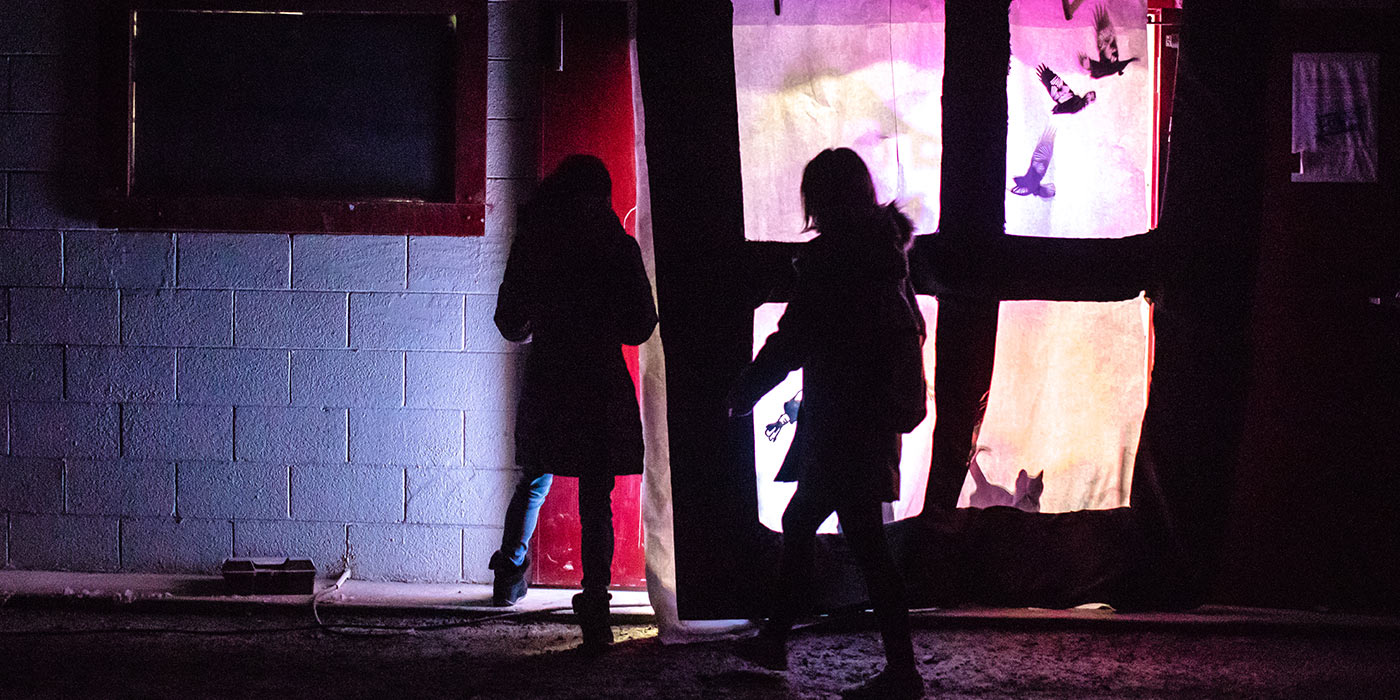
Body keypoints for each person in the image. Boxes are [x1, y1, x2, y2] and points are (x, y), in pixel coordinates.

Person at [727, 148, 926, 699]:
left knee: (857, 541)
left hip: (840, 423)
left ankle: (902, 674)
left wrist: (747, 388)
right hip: (868, 423)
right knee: (816, 526)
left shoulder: (834, 262)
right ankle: (777, 640)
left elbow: (794, 340)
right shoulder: (886, 255)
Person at [489, 154, 658, 654]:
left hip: (550, 376)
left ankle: (510, 571)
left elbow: (509, 321)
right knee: (595, 496)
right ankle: (596, 605)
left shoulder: (537, 242)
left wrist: (544, 318)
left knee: (535, 477)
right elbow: (641, 325)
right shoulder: (616, 247)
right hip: (600, 380)